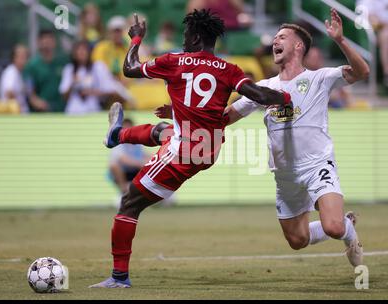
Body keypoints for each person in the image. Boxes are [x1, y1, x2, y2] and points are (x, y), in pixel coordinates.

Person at [143, 9, 368, 269]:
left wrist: (340, 40)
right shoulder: (264, 89)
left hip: (317, 165)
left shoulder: (319, 78)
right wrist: (185, 109)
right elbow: (224, 117)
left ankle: (347, 230)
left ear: (298, 45)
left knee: (333, 226)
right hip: (285, 173)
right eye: (274, 37)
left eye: (282, 37)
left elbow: (362, 72)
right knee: (297, 239)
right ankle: (343, 224)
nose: (275, 41)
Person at [89, 9, 292, 288]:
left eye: (186, 35)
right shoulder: (230, 69)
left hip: (184, 152)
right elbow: (258, 95)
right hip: (207, 149)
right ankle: (119, 134)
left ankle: (119, 277)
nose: (183, 40)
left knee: (129, 203)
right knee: (165, 130)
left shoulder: (173, 61)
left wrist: (136, 39)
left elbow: (129, 68)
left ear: (196, 37)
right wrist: (288, 96)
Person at [59, 41, 115, 115]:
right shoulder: (69, 69)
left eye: (84, 50)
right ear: (74, 54)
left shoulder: (98, 67)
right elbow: (64, 95)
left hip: (93, 110)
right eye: (78, 50)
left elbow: (110, 91)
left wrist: (91, 92)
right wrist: (72, 83)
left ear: (89, 52)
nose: (81, 52)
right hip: (73, 112)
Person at [24, 30, 68, 112]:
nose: (47, 44)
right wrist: (37, 102)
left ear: (54, 42)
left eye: (49, 40)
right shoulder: (32, 65)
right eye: (44, 41)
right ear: (38, 43)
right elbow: (29, 91)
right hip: (40, 113)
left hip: (62, 110)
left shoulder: (64, 62)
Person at [109, 118, 150, 194]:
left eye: (129, 129)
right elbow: (123, 159)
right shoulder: (118, 143)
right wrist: (140, 163)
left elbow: (146, 155)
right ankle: (123, 189)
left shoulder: (137, 142)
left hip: (135, 171)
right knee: (114, 165)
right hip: (123, 172)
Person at [0, 45, 29, 113]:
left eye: (25, 57)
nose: (24, 60)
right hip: (11, 116)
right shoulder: (11, 72)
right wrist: (18, 107)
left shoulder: (19, 73)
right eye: (21, 56)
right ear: (14, 58)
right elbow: (9, 92)